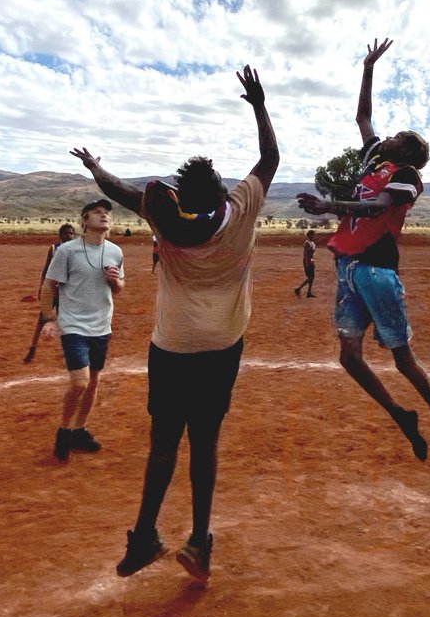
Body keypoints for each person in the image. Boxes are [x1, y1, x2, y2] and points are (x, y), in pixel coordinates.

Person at [73, 64, 277, 584]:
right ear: (223, 190)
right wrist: (258, 104)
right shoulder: (242, 208)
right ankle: (199, 543)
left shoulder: (166, 221)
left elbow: (119, 189)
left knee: (164, 442)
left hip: (173, 347)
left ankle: (144, 537)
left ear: (183, 200)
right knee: (204, 443)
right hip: (223, 346)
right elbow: (271, 158)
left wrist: (95, 167)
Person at [297, 38, 430, 462]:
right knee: (349, 357)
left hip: (376, 271)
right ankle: (399, 414)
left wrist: (328, 205)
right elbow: (362, 116)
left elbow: (376, 208)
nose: (384, 136)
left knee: (402, 358)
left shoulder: (407, 174)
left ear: (406, 150)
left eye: (394, 136)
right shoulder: (374, 158)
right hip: (349, 270)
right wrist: (368, 66)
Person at [39, 203, 124, 463]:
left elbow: (120, 287)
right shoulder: (67, 251)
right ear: (85, 220)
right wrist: (51, 319)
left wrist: (114, 281)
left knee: (94, 380)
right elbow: (48, 286)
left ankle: (79, 430)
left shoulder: (115, 251)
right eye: (98, 212)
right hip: (73, 324)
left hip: (102, 325)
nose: (104, 215)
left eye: (106, 212)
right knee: (80, 382)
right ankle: (64, 431)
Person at [23, 223, 77, 363]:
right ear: (60, 236)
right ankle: (33, 348)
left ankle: (67, 352)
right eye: (66, 233)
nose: (69, 236)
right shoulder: (54, 249)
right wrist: (41, 287)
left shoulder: (75, 252)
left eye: (71, 233)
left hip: (65, 292)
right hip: (52, 291)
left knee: (66, 322)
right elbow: (46, 270)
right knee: (41, 320)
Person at [293, 229, 317, 298]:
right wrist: (307, 264)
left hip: (310, 261)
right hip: (307, 262)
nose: (314, 236)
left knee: (312, 278)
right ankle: (298, 289)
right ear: (309, 236)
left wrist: (313, 262)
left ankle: (308, 292)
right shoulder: (307, 243)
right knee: (310, 277)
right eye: (313, 235)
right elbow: (305, 254)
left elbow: (311, 255)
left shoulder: (312, 243)